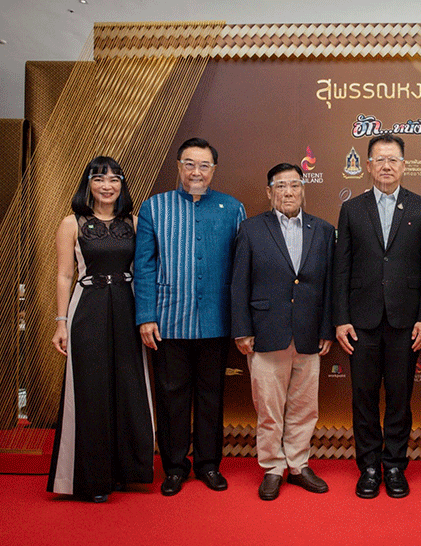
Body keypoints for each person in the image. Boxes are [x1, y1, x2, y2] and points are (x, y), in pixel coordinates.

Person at [134, 137, 245, 496]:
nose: (197, 172)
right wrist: (146, 316)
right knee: (172, 397)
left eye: (204, 165)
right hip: (168, 321)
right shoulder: (154, 208)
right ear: (179, 166)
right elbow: (144, 266)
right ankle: (174, 467)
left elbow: (243, 268)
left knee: (212, 395)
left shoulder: (232, 209)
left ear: (214, 169)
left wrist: (241, 321)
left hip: (217, 320)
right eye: (190, 164)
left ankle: (209, 465)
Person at [333, 134, 421, 499]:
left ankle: (394, 465)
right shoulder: (351, 209)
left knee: (399, 397)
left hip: (405, 321)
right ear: (368, 165)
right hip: (360, 322)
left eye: (393, 159)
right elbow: (341, 268)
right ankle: (368, 467)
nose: (386, 166)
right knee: (363, 397)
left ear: (404, 165)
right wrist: (341, 318)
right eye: (379, 159)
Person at [49, 156, 154, 502]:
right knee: (91, 391)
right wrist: (61, 323)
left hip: (127, 306)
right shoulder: (71, 224)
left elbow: (144, 271)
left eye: (114, 179)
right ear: (88, 184)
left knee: (128, 387)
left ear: (122, 185)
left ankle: (126, 471)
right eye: (99, 179)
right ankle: (92, 479)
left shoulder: (135, 223)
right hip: (88, 308)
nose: (107, 186)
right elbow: (64, 275)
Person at [231, 163, 335, 501]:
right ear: (269, 192)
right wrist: (242, 329)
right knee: (269, 409)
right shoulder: (251, 229)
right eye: (280, 186)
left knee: (305, 407)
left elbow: (329, 285)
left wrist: (326, 328)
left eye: (294, 185)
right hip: (266, 331)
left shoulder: (323, 230)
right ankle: (273, 467)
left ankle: (298, 464)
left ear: (303, 189)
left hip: (309, 333)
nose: (288, 192)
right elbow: (239, 283)